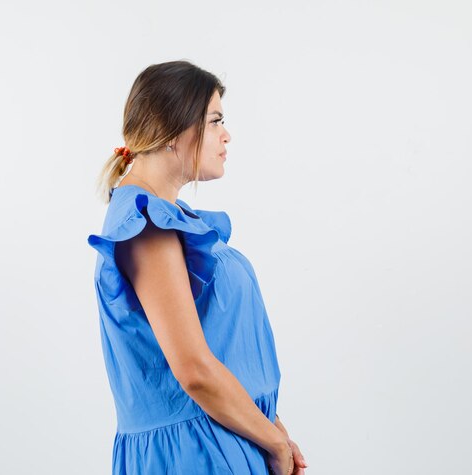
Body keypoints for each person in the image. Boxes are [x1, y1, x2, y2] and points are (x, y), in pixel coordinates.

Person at [87, 60, 307, 475]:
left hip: (222, 441)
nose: (227, 135)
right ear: (173, 130)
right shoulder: (146, 225)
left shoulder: (169, 217)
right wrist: (275, 442)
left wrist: (268, 426)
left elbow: (214, 349)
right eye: (215, 120)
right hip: (195, 454)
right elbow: (193, 370)